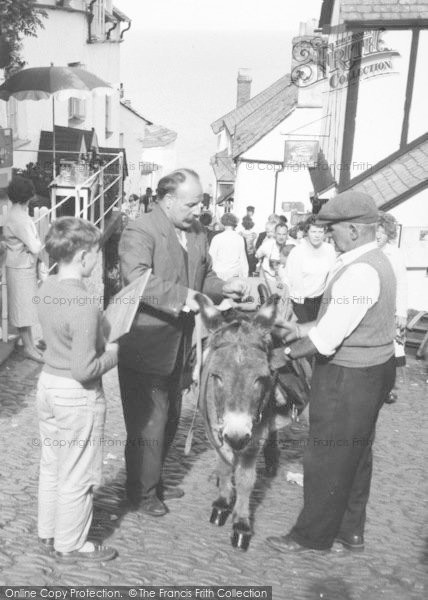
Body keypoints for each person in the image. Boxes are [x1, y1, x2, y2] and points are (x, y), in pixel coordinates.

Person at [267, 191, 396, 554]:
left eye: (332, 228)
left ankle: (311, 536)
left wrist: (283, 354)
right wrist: (300, 329)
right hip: (372, 369)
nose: (326, 234)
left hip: (349, 377)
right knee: (355, 453)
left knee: (326, 454)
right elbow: (340, 322)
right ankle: (350, 531)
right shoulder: (373, 260)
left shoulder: (359, 272)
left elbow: (326, 340)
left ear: (354, 230)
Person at [118, 169, 247, 517]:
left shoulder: (198, 231)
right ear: (168, 199)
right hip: (147, 344)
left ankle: (152, 481)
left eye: (200, 203)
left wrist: (225, 287)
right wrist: (187, 296)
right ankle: (140, 493)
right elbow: (138, 280)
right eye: (191, 204)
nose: (197, 210)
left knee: (171, 417)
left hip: (181, 346)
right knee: (149, 424)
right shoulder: (141, 229)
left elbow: (203, 275)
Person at [36, 217, 119, 562]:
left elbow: (53, 340)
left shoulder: (47, 288)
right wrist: (113, 353)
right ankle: (70, 544)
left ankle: (48, 532)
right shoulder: (84, 303)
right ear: (84, 255)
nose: (97, 260)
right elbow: (85, 369)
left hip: (47, 385)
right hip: (75, 394)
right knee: (77, 473)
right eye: (96, 254)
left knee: (52, 465)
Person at [3, 176, 43, 362]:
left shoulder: (11, 214)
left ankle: (30, 345)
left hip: (16, 265)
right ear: (28, 196)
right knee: (23, 310)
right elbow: (35, 247)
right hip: (22, 267)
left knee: (23, 309)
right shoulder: (22, 219)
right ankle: (29, 347)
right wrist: (39, 242)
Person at [376, 212, 408, 404]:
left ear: (389, 234)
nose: (379, 235)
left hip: (389, 308)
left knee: (392, 350)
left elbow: (402, 284)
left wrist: (402, 313)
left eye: (383, 232)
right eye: (376, 231)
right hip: (370, 306)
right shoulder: (367, 250)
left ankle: (387, 388)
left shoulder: (395, 254)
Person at [282, 216, 336, 323]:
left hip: (320, 300)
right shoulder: (297, 252)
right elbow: (288, 279)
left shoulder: (329, 250)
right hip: (300, 301)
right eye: (313, 231)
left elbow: (332, 275)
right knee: (306, 332)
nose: (317, 235)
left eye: (320, 232)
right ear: (307, 232)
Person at [209, 213, 249, 281]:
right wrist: (245, 275)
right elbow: (243, 259)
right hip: (234, 273)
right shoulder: (240, 238)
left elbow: (211, 257)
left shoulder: (217, 238)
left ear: (223, 223)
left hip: (219, 273)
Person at [256, 222, 291, 294]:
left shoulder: (291, 246)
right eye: (279, 234)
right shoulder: (267, 244)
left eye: (284, 234)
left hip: (284, 282)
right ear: (275, 234)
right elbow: (257, 255)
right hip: (268, 279)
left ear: (287, 234)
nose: (281, 237)